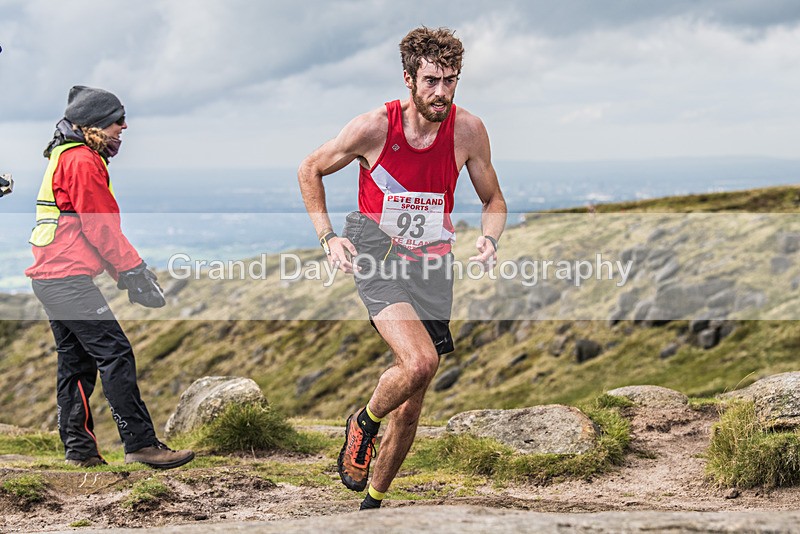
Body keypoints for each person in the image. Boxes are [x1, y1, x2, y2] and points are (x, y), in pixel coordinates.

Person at [298, 27, 507, 509]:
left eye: (450, 80)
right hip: (378, 251)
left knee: (412, 401)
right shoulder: (375, 127)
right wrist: (328, 237)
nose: (441, 92)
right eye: (431, 80)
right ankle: (362, 423)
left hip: (432, 262)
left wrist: (490, 239)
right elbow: (310, 168)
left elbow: (493, 198)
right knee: (420, 362)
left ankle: (372, 502)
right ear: (409, 78)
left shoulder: (468, 130)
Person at [25, 85, 194, 469]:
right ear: (96, 125)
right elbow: (100, 229)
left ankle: (80, 451)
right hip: (66, 280)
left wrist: (128, 273)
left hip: (52, 278)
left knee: (76, 363)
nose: (124, 127)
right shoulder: (82, 161)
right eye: (118, 120)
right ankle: (140, 443)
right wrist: (133, 272)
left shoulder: (66, 154)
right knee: (114, 354)